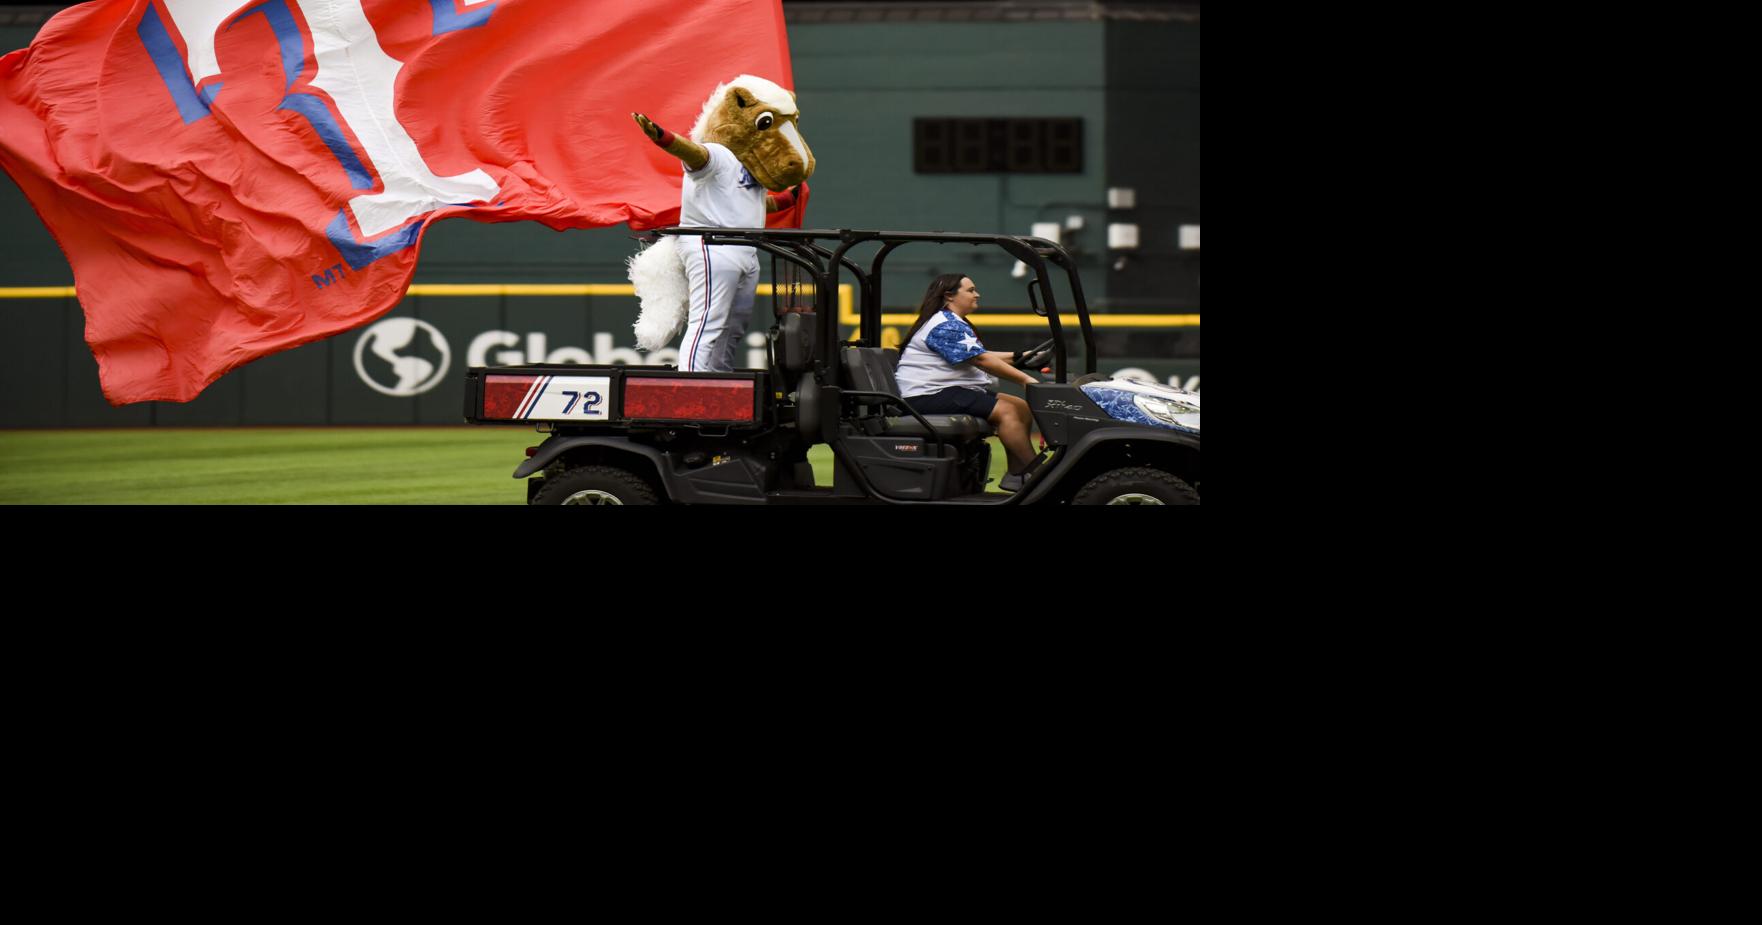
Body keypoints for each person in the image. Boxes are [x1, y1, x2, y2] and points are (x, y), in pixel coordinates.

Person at [895, 274, 1044, 492]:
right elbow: (982, 360)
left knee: (1020, 406)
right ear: (949, 296)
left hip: (947, 391)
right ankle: (1038, 473)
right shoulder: (943, 325)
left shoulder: (952, 322)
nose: (977, 294)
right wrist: (1025, 379)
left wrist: (1022, 356)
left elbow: (979, 354)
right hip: (926, 395)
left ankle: (1016, 474)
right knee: (1008, 411)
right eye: (971, 290)